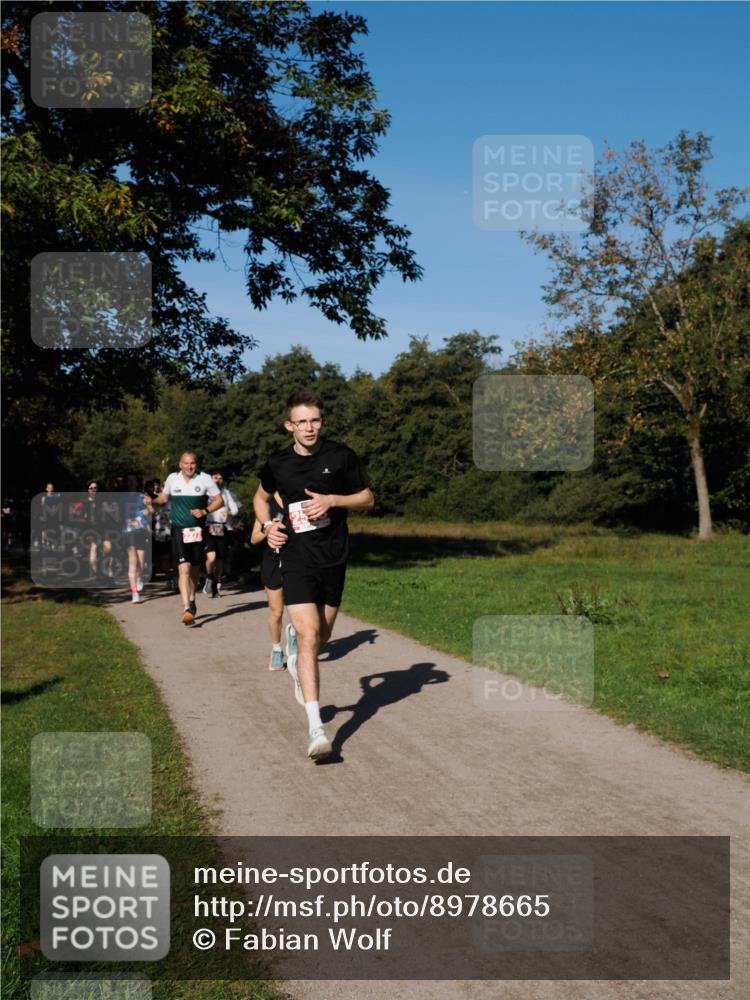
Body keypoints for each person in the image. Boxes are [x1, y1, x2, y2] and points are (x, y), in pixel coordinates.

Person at [254, 390, 374, 760]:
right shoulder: (278, 463)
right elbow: (261, 498)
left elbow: (368, 498)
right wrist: (267, 525)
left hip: (334, 557)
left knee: (320, 639)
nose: (309, 427)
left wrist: (333, 501)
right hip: (295, 557)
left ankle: (296, 653)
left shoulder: (340, 456)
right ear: (289, 425)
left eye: (315, 420)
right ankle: (316, 727)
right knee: (308, 635)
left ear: (322, 422)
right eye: (301, 421)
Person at [152, 453, 223, 625]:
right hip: (179, 530)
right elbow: (163, 497)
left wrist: (205, 511)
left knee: (195, 568)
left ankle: (192, 599)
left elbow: (219, 501)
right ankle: (186, 609)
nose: (190, 467)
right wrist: (152, 503)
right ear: (180, 464)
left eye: (192, 463)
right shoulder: (172, 479)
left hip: (198, 530)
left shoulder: (205, 479)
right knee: (184, 569)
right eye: (186, 463)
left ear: (195, 465)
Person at [250, 493, 286, 671]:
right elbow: (254, 538)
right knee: (277, 610)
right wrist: (269, 528)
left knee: (299, 606)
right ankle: (277, 649)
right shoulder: (266, 504)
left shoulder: (297, 498)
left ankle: (295, 635)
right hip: (272, 562)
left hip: (297, 560)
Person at [203, 469, 241, 598]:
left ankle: (216, 584)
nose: (218, 480)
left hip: (222, 528)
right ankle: (209, 577)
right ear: (211, 479)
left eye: (220, 478)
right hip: (208, 527)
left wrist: (229, 513)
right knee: (211, 557)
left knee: (220, 560)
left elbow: (235, 509)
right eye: (215, 477)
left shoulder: (226, 493)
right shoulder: (205, 492)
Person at [120, 473, 153, 604]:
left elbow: (151, 511)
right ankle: (134, 593)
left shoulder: (141, 496)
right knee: (132, 562)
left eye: (133, 481)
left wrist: (149, 505)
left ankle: (140, 575)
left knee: (142, 562)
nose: (131, 483)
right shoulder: (120, 498)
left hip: (141, 531)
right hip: (128, 532)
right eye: (129, 481)